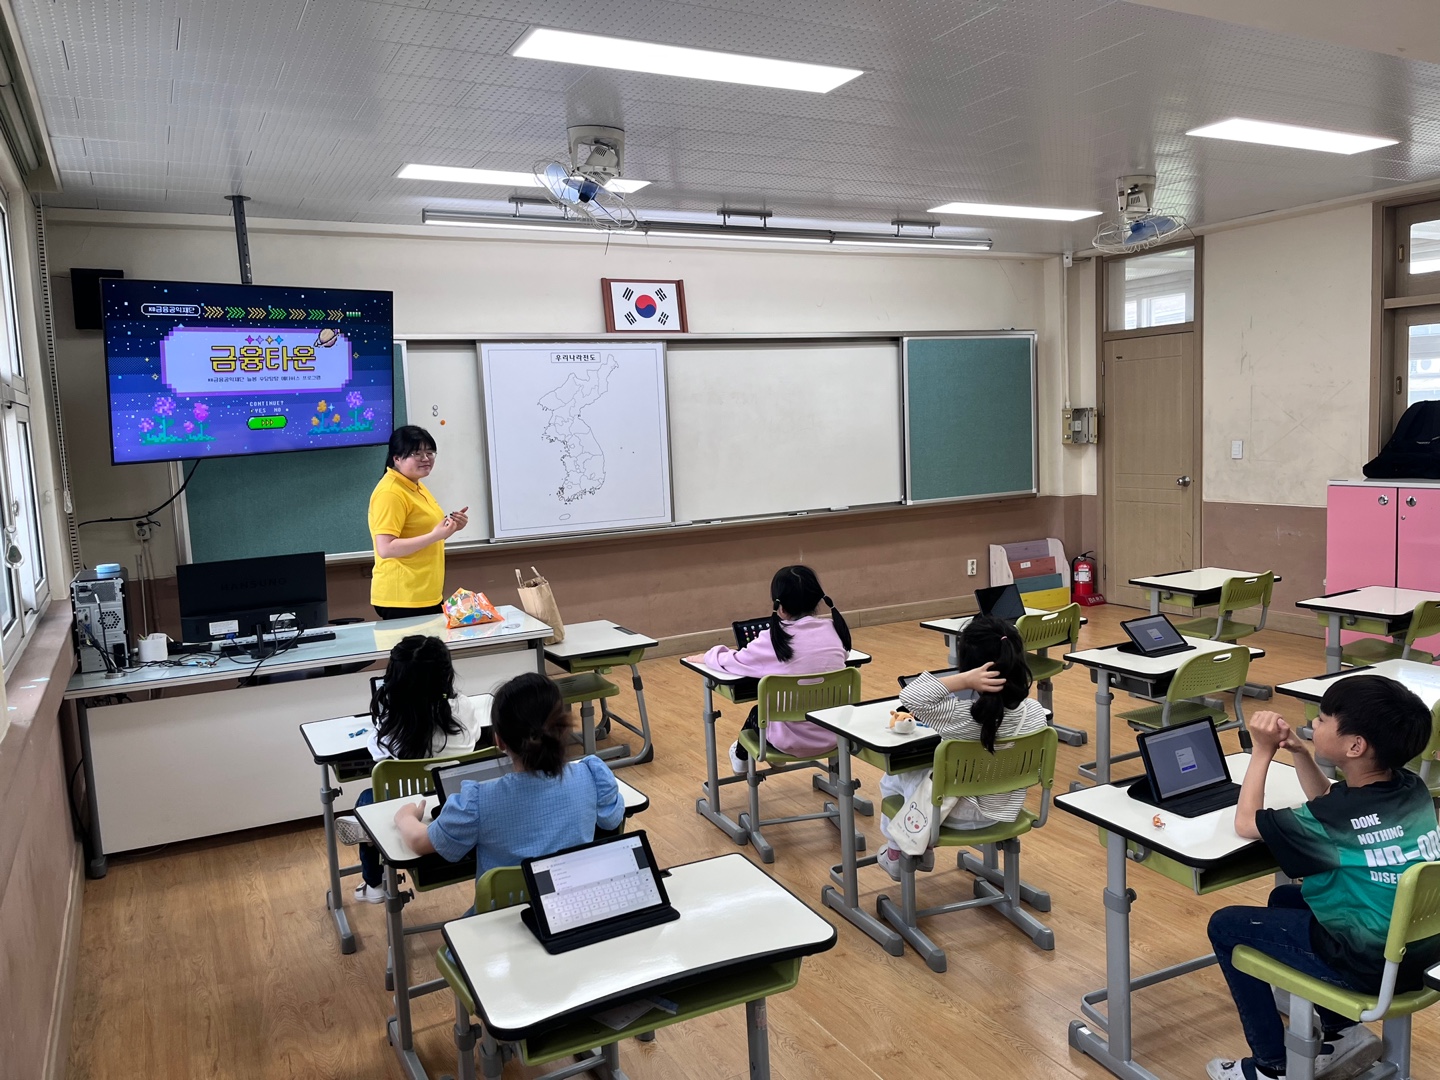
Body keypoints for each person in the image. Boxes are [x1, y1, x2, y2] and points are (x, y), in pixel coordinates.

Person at [1205, 675, 1440, 1080]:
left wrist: (1261, 751)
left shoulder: (1336, 818)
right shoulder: (1411, 787)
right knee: (1284, 901)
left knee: (1224, 926)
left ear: (1355, 746)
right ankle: (1341, 1032)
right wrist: (1300, 752)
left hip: (1370, 965)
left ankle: (1271, 1066)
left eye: (1325, 718)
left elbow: (1246, 823)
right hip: (1420, 951)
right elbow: (1328, 803)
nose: (1314, 721)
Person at [394, 671, 624, 878]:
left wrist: (405, 818)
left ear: (499, 740)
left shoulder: (477, 802)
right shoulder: (592, 776)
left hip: (507, 910)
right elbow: (612, 819)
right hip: (573, 902)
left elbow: (419, 842)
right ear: (563, 730)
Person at [875, 614, 1045, 880]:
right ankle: (915, 846)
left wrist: (964, 680)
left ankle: (901, 850)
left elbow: (910, 696)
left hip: (950, 818)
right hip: (1003, 813)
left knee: (894, 776)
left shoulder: (957, 715)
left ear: (969, 666)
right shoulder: (1035, 713)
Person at [333, 634, 485, 902]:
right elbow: (473, 739)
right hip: (453, 799)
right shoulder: (464, 706)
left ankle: (374, 882)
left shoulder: (392, 716)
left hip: (401, 804)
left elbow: (378, 754)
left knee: (367, 800)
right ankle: (370, 828)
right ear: (446, 672)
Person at [685, 565, 852, 773]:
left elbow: (734, 661)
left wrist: (707, 656)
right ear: (817, 601)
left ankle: (741, 759)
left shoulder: (772, 640)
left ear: (780, 607)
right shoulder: (835, 631)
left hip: (788, 741)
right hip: (835, 735)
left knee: (758, 712)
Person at [369, 424, 468, 620]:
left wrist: (451, 529)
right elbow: (386, 548)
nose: (425, 458)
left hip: (425, 593)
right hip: (403, 597)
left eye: (430, 452)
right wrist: (435, 535)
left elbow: (421, 535)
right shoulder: (391, 492)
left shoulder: (415, 485)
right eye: (416, 453)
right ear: (397, 458)